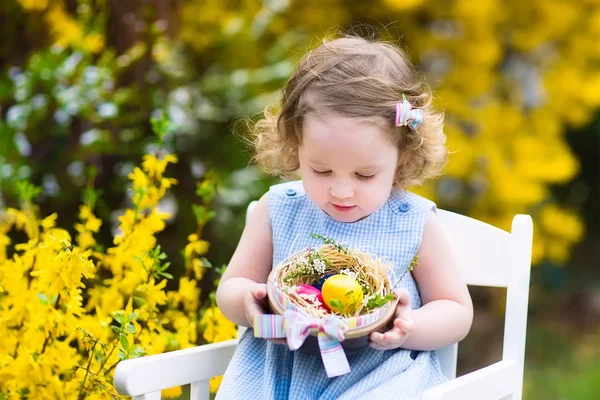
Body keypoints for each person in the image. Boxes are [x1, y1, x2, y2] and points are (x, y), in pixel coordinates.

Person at [215, 35, 473, 400]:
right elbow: (231, 286)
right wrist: (250, 302)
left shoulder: (412, 220)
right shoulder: (279, 209)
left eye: (364, 175)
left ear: (402, 156)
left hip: (379, 377)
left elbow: (456, 310)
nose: (341, 191)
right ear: (295, 147)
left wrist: (409, 326)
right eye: (320, 171)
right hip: (278, 378)